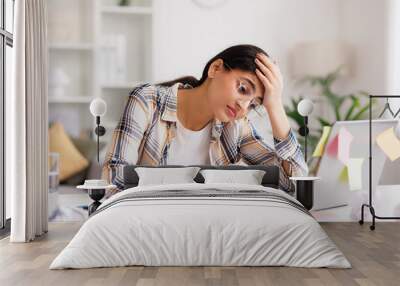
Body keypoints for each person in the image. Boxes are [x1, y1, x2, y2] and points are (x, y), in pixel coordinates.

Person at [101, 44, 308, 197]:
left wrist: (275, 105)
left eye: (254, 104)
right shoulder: (148, 101)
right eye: (243, 89)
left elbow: (294, 184)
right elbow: (113, 181)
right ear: (216, 68)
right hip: (148, 223)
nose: (243, 107)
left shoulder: (235, 127)